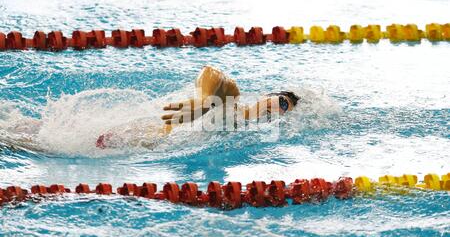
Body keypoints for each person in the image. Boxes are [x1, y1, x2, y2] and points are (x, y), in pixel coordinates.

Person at [96, 65, 300, 149]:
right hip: (156, 132)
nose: (278, 110)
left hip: (150, 145)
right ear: (266, 96)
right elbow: (210, 72)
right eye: (281, 102)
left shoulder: (246, 131)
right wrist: (205, 102)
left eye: (284, 111)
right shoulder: (233, 99)